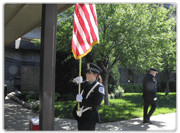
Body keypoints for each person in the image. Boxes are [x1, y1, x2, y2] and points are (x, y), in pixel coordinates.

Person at [69, 62, 104, 130]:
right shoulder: (85, 84)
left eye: (89, 73)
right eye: (87, 72)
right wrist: (74, 81)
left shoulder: (99, 87)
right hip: (81, 116)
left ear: (95, 75)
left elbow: (96, 103)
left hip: (90, 118)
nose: (86, 74)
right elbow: (71, 88)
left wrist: (82, 101)